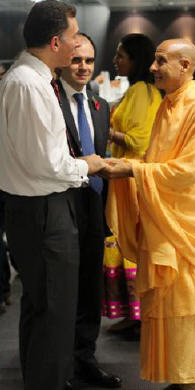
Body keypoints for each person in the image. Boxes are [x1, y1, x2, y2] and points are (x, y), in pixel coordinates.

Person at [100, 39, 195, 390]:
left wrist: (131, 172)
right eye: (153, 61)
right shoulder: (170, 104)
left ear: (185, 65)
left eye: (160, 61)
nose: (152, 68)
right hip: (166, 220)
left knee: (185, 306)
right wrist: (127, 164)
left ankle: (192, 383)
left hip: (188, 225)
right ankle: (179, 377)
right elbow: (158, 161)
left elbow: (189, 171)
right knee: (166, 304)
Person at [0, 2, 106, 390]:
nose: (79, 44)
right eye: (75, 36)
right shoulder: (30, 84)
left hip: (37, 208)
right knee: (55, 313)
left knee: (43, 308)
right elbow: (48, 163)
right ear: (56, 41)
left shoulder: (28, 79)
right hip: (43, 210)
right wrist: (89, 165)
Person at [56, 33, 121, 389]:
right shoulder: (49, 101)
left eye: (90, 61)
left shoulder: (100, 106)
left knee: (90, 288)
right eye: (77, 59)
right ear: (64, 59)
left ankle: (86, 358)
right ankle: (60, 364)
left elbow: (100, 158)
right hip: (60, 206)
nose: (83, 67)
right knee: (62, 290)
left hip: (94, 207)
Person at [102, 33, 162, 338]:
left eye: (120, 56)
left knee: (130, 244)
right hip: (130, 179)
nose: (115, 61)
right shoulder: (140, 90)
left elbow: (139, 140)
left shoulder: (141, 91)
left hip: (133, 181)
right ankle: (134, 315)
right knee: (127, 244)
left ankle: (139, 316)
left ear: (135, 60)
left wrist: (108, 132)